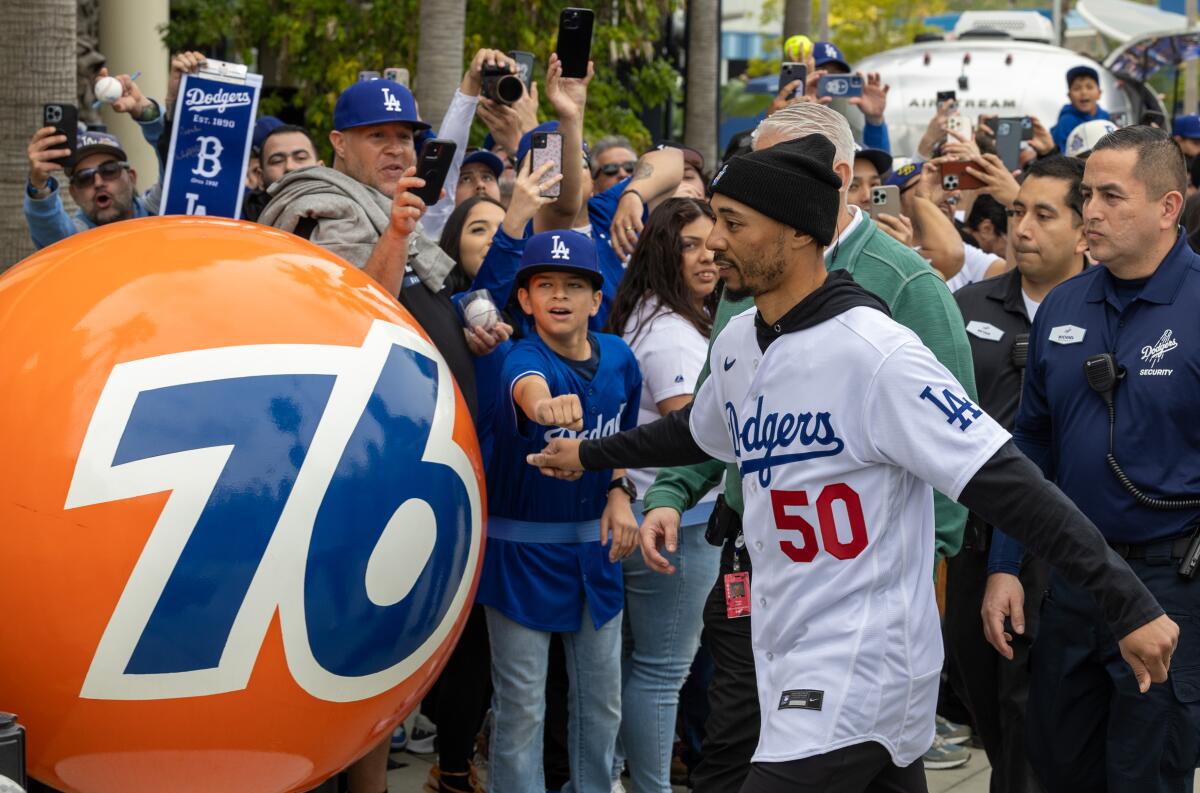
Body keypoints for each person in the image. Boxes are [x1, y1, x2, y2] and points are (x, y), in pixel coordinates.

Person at [526, 133, 1177, 793]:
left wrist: (1126, 602)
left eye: (733, 223)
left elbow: (1012, 485)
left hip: (865, 664)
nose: (713, 241)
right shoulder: (737, 345)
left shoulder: (880, 354)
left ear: (797, 234)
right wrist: (587, 453)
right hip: (781, 645)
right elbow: (695, 434)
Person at [581, 102, 980, 793]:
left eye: (763, 180)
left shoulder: (907, 288)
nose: (719, 238)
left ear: (828, 180)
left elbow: (961, 458)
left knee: (865, 757)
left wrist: (925, 576)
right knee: (735, 747)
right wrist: (670, 492)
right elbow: (717, 416)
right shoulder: (745, 279)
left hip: (857, 596)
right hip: (751, 569)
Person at [258, 74, 509, 793]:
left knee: (376, 654)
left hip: (397, 457)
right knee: (343, 646)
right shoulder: (324, 199)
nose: (399, 149)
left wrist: (465, 326)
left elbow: (419, 295)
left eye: (406, 137)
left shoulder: (387, 201)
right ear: (340, 143)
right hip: (348, 461)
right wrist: (398, 233)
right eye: (380, 137)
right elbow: (348, 313)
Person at [983, 125, 1200, 791]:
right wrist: (1005, 565)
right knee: (1057, 765)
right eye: (1087, 195)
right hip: (1074, 580)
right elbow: (1032, 444)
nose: (1092, 212)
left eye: (1111, 196)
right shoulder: (1065, 303)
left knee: (1145, 774)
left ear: (1167, 208)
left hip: (1171, 586)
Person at [475, 229, 642, 793]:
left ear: (598, 299)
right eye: (544, 284)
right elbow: (527, 385)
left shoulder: (619, 355)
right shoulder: (520, 355)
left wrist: (620, 490)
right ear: (524, 299)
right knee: (522, 708)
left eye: (575, 284)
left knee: (602, 706)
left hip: (595, 553)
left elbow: (623, 442)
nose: (559, 295)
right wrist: (544, 404)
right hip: (522, 553)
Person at [946, 155, 1089, 793]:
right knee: (986, 701)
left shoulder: (1108, 311)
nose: (1022, 228)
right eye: (1015, 213)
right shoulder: (964, 307)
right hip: (974, 541)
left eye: (1043, 214)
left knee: (1036, 710)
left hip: (1061, 546)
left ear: (1086, 228)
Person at [604, 197, 722, 792]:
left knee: (637, 664)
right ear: (662, 253)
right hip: (676, 519)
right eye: (690, 246)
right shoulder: (672, 333)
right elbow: (692, 434)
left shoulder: (658, 314)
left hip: (649, 512)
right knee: (662, 670)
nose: (707, 257)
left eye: (712, 241)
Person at [24, 68, 166, 249]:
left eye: (109, 170)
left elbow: (178, 162)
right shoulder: (73, 243)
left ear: (131, 177)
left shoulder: (159, 213)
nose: (98, 182)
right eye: (84, 178)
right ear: (74, 194)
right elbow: (48, 226)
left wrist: (145, 111)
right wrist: (38, 186)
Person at [242, 123, 323, 222]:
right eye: (277, 160)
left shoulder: (343, 216)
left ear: (321, 169)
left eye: (301, 157)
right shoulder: (238, 220)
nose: (289, 167)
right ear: (260, 177)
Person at [1050, 65, 1110, 153]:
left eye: (1089, 87)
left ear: (1099, 93)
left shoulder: (1106, 117)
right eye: (1077, 88)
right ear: (1069, 96)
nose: (1084, 92)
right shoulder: (1066, 122)